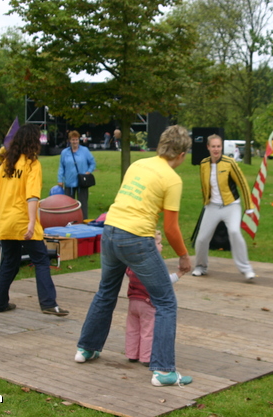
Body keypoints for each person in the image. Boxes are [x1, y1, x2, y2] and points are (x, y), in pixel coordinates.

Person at [75, 125, 193, 388]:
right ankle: (163, 371)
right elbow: (172, 229)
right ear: (182, 154)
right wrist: (184, 257)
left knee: (106, 291)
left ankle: (86, 348)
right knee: (165, 301)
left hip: (110, 231)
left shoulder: (139, 164)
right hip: (136, 238)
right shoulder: (172, 179)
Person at [0, 124, 69, 316]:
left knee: (9, 262)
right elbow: (32, 197)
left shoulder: (6, 165)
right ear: (33, 142)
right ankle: (48, 303)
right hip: (24, 220)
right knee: (41, 260)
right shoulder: (33, 164)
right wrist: (32, 223)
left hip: (6, 222)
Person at [191, 134, 256, 280]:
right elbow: (204, 185)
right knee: (201, 239)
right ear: (208, 147)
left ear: (222, 147)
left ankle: (246, 269)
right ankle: (200, 266)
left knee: (234, 231)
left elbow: (243, 184)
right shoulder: (203, 164)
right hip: (212, 207)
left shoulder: (230, 163)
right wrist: (206, 201)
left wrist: (249, 207)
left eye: (218, 146)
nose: (216, 149)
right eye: (213, 146)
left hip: (231, 206)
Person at [125, 230, 180, 367]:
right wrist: (180, 273)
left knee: (132, 329)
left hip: (133, 302)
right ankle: (146, 357)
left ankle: (131, 354)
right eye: (159, 243)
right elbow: (165, 281)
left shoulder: (133, 264)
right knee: (148, 331)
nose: (161, 246)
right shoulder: (153, 266)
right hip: (148, 304)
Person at [57, 130, 96, 219]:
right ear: (69, 140)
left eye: (76, 139)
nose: (75, 142)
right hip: (69, 182)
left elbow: (92, 163)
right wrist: (60, 179)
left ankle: (83, 221)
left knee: (83, 204)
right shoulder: (65, 152)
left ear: (79, 140)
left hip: (82, 182)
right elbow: (61, 166)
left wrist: (88, 172)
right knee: (68, 205)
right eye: (73, 140)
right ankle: (68, 221)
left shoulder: (85, 151)